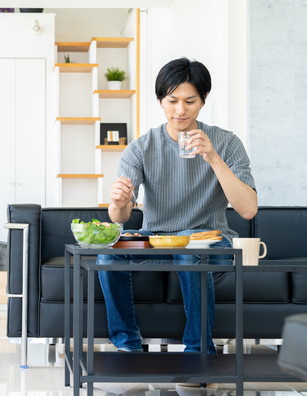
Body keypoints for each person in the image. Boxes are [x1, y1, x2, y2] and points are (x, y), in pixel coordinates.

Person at [97, 57, 257, 354]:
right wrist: (118, 202)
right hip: (156, 240)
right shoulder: (141, 147)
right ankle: (128, 348)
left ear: (203, 101)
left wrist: (213, 159)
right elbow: (119, 215)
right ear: (161, 101)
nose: (180, 110)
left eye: (189, 101)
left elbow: (248, 210)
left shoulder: (226, 143)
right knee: (108, 256)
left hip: (210, 241)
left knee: (190, 253)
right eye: (172, 101)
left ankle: (198, 354)